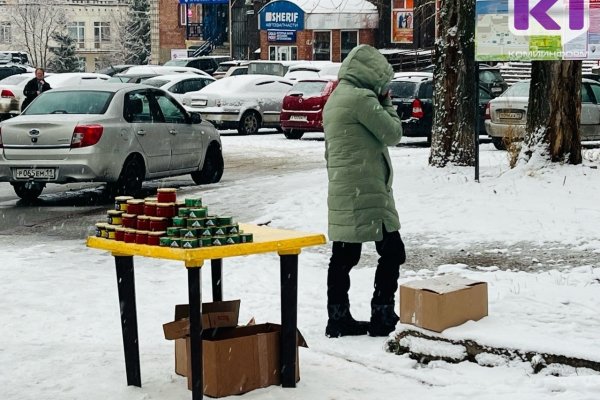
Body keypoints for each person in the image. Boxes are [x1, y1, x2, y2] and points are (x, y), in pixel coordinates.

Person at [322, 44, 406, 338]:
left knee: (343, 257)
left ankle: (338, 317)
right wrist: (387, 102)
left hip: (345, 190)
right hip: (368, 190)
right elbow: (393, 133)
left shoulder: (335, 99)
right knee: (393, 252)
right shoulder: (362, 99)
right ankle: (382, 313)